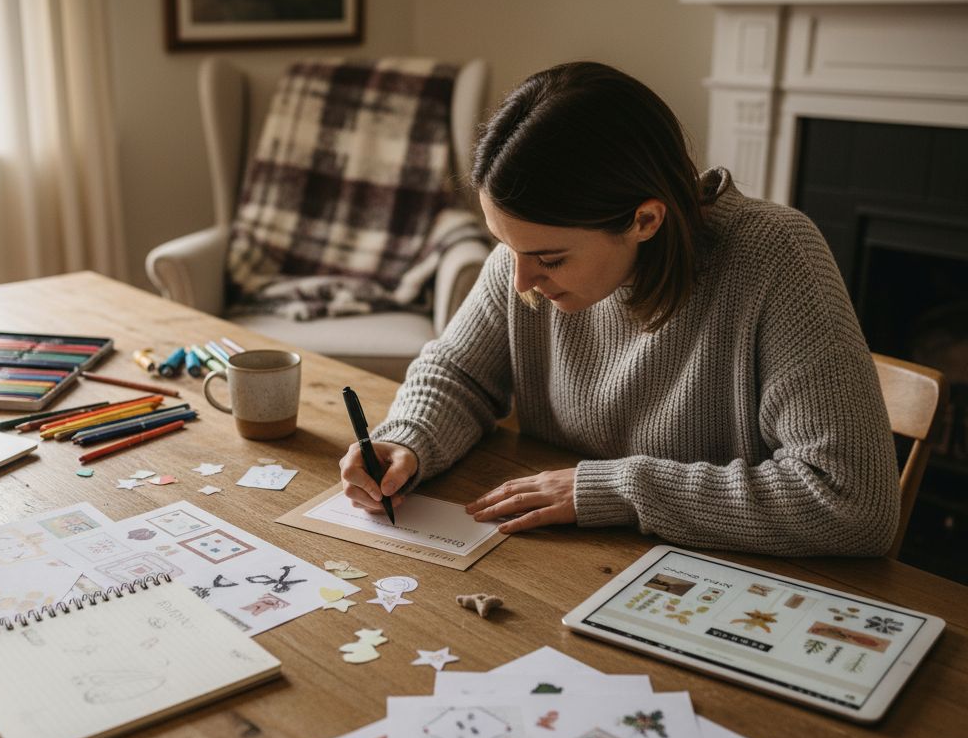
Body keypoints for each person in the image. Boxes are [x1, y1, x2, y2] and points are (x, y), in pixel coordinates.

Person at [338, 62, 899, 557]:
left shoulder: (776, 256)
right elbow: (458, 374)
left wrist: (610, 489)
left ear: (645, 221)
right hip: (566, 561)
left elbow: (851, 503)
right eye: (505, 248)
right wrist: (407, 439)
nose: (521, 282)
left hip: (711, 579)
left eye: (550, 259)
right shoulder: (531, 254)